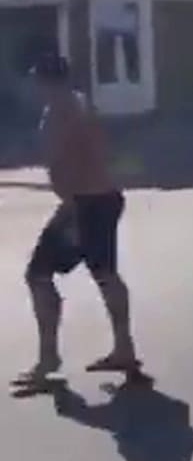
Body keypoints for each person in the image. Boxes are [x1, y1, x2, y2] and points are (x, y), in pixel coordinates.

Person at [20, 53, 140, 384]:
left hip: (81, 204)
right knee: (105, 273)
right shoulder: (82, 104)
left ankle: (47, 360)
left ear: (47, 82)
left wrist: (71, 213)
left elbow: (60, 163)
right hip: (105, 198)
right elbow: (103, 151)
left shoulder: (57, 114)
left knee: (38, 274)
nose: (32, 88)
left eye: (36, 81)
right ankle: (124, 348)